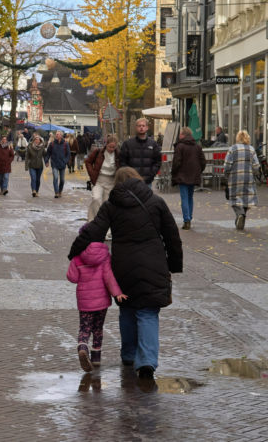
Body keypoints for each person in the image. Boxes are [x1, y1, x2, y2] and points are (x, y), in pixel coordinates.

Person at [69, 166, 183, 379]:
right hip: (154, 265)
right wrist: (174, 265)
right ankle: (147, 361)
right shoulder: (157, 202)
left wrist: (74, 251)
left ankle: (129, 355)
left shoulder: (111, 205)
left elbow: (94, 231)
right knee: (148, 312)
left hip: (123, 267)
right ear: (139, 180)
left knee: (128, 309)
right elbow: (172, 237)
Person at [67, 224, 127, 372]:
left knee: (85, 327)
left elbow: (72, 278)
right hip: (101, 302)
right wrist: (117, 293)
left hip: (85, 300)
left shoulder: (77, 257)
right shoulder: (105, 256)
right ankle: (96, 357)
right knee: (98, 328)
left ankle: (82, 347)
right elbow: (109, 277)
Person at [171, 127, 206, 230]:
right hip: (194, 175)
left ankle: (186, 220)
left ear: (183, 135)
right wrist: (199, 171)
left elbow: (176, 162)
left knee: (184, 198)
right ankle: (189, 218)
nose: (178, 136)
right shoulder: (197, 147)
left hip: (183, 175)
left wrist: (174, 174)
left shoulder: (180, 146)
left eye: (180, 134)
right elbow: (203, 162)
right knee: (190, 197)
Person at [224, 130, 260, 230]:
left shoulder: (233, 149)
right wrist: (252, 172)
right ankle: (242, 216)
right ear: (248, 138)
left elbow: (227, 166)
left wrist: (227, 176)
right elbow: (256, 166)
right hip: (248, 179)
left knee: (235, 199)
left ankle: (240, 214)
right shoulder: (251, 149)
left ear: (237, 138)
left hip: (235, 179)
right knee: (245, 199)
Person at [118, 118, 162, 189]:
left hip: (147, 181)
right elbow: (122, 161)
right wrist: (129, 174)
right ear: (136, 128)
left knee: (147, 200)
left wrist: (152, 174)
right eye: (139, 126)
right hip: (131, 181)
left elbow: (157, 161)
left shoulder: (153, 144)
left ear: (147, 128)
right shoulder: (128, 144)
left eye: (143, 126)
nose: (141, 127)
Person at [85, 135, 119, 223]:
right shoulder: (98, 152)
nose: (111, 149)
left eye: (113, 147)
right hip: (99, 180)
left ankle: (105, 226)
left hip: (111, 181)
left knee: (107, 204)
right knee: (96, 199)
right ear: (106, 145)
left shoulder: (118, 154)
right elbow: (88, 161)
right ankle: (93, 221)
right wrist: (92, 173)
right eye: (110, 147)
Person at [44, 130, 70, 199]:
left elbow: (68, 154)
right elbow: (48, 153)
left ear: (61, 136)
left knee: (62, 180)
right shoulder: (52, 144)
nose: (56, 135)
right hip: (54, 163)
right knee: (55, 177)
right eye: (56, 134)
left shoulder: (65, 144)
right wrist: (46, 161)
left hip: (62, 164)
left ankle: (60, 190)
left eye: (57, 134)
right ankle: (56, 192)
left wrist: (65, 161)